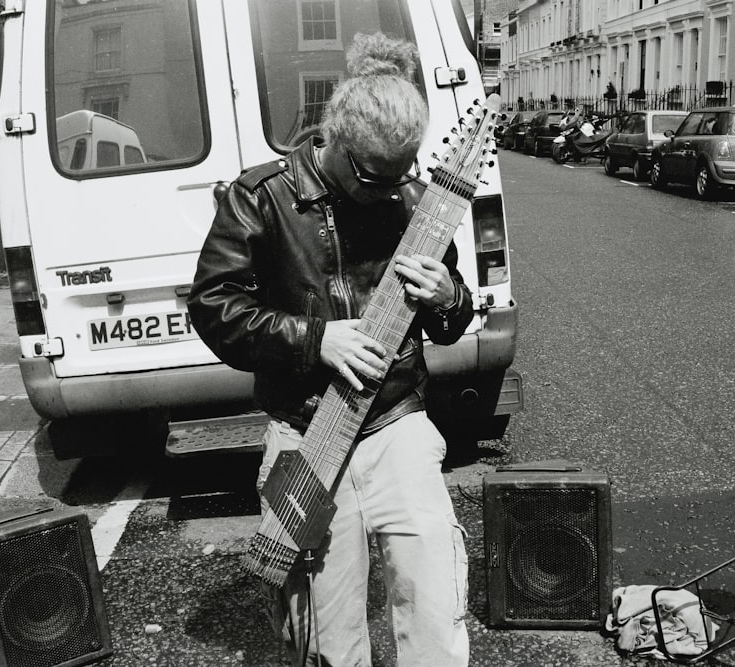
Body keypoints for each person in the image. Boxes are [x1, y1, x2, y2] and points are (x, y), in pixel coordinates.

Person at [188, 33, 472, 666]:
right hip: (305, 430)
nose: (391, 189)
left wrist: (448, 293)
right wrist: (317, 339)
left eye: (404, 174)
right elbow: (213, 309)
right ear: (336, 142)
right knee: (326, 629)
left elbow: (453, 325)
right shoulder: (260, 198)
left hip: (397, 422)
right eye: (376, 177)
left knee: (436, 603)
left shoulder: (411, 200)